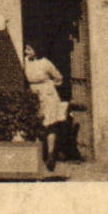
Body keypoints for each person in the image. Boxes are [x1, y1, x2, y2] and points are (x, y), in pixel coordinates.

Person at [23, 42, 70, 171]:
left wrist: (48, 86)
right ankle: (37, 154)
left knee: (50, 124)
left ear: (37, 50)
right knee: (37, 124)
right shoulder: (26, 61)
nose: (26, 52)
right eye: (26, 49)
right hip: (34, 94)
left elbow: (58, 78)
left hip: (48, 96)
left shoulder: (46, 63)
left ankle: (50, 154)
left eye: (29, 49)